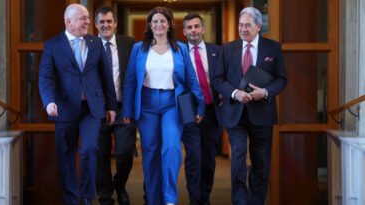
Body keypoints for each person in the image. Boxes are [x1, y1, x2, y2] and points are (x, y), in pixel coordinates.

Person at [122, 6, 205, 205]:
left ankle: (169, 198)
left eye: (163, 21)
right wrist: (127, 110)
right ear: (149, 25)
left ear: (169, 25)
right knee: (150, 152)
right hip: (147, 105)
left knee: (171, 148)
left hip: (172, 105)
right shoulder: (138, 49)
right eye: (155, 21)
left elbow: (192, 79)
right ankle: (153, 200)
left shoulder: (181, 48)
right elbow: (130, 81)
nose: (159, 24)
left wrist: (200, 106)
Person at [38, 4, 117, 205]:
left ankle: (88, 197)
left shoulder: (95, 43)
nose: (88, 22)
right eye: (83, 18)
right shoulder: (53, 45)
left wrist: (111, 106)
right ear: (69, 21)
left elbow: (106, 76)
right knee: (66, 155)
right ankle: (71, 199)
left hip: (92, 108)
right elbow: (45, 78)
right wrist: (49, 102)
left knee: (90, 149)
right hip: (64, 108)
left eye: (88, 18)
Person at [212, 7, 287, 205]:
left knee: (260, 163)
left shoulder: (273, 48)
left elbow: (282, 79)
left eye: (248, 25)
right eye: (240, 25)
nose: (243, 29)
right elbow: (218, 79)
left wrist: (266, 92)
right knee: (237, 159)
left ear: (259, 26)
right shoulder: (227, 49)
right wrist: (235, 93)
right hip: (235, 114)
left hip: (262, 112)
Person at [94, 6, 136, 205]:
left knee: (124, 152)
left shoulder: (129, 44)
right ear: (96, 24)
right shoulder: (90, 45)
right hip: (98, 110)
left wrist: (131, 107)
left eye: (109, 21)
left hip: (123, 108)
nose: (106, 25)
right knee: (100, 153)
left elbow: (135, 76)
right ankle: (105, 196)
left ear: (115, 23)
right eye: (101, 22)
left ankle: (119, 184)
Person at [181, 13, 222, 205]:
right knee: (194, 157)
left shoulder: (217, 51)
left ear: (203, 29)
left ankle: (205, 197)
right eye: (189, 28)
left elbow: (223, 78)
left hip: (212, 111)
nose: (193, 31)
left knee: (208, 158)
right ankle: (195, 200)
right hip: (189, 111)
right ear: (184, 31)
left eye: (196, 26)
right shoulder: (178, 52)